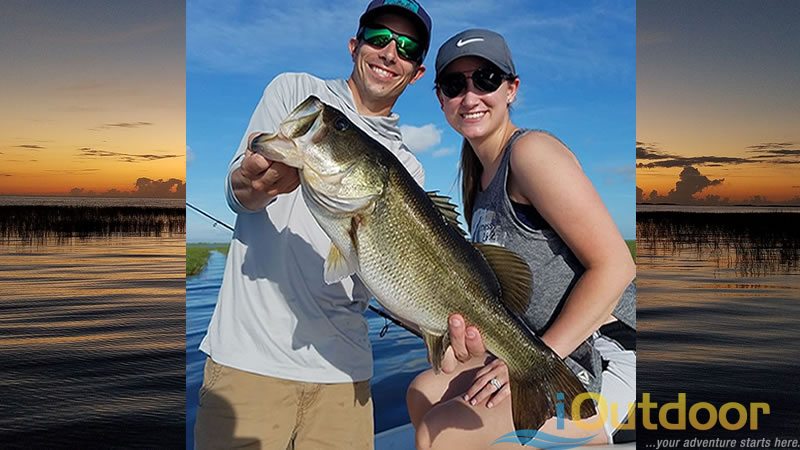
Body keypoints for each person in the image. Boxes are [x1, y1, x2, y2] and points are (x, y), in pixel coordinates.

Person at [194, 1, 432, 449]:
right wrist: (252, 183)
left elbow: (392, 278)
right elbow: (239, 191)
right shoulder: (298, 94)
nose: (389, 53)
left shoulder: (408, 170)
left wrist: (441, 324)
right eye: (378, 38)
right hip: (248, 364)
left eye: (406, 47)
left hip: (345, 378)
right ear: (354, 45)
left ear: (416, 72)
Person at [407, 29, 637, 449]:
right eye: (455, 85)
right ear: (440, 99)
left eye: (486, 79)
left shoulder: (530, 153)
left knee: (439, 434)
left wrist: (532, 363)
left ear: (511, 89)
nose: (470, 96)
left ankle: (589, 440)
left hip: (600, 352)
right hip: (535, 347)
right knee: (422, 391)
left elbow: (617, 266)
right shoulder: (477, 181)